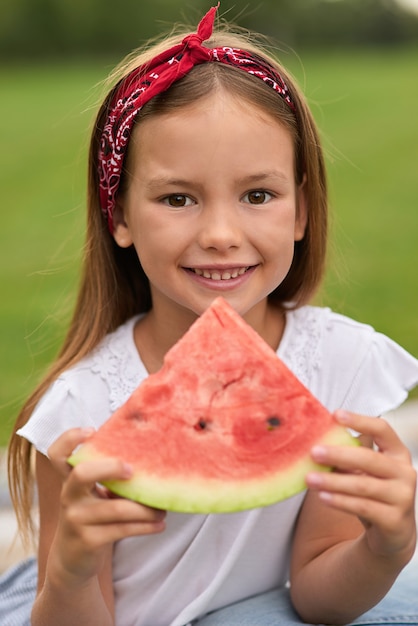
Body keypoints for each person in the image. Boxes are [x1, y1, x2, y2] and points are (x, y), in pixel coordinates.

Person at [4, 4, 418, 625]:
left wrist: (385, 549)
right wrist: (67, 572)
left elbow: (316, 594)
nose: (222, 234)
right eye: (178, 198)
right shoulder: (80, 415)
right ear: (118, 217)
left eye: (258, 195)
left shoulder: (343, 365)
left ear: (301, 211)